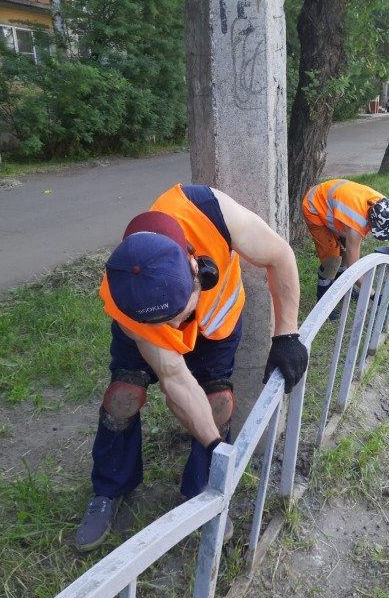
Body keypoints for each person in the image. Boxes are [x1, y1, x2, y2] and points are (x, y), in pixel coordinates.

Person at [75, 184, 309, 552]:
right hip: (143, 336)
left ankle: (204, 489)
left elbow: (279, 255)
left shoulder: (213, 214)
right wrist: (217, 446)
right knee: (124, 396)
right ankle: (109, 488)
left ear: (197, 268)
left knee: (218, 403)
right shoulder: (125, 298)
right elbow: (174, 380)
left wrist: (287, 334)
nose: (175, 327)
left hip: (219, 324)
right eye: (166, 323)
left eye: (179, 313)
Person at [301, 179, 389, 316]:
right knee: (332, 260)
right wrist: (374, 296)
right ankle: (322, 304)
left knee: (346, 252)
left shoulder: (382, 204)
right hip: (314, 206)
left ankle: (343, 289)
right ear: (370, 220)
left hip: (333, 201)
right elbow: (355, 270)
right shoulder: (355, 223)